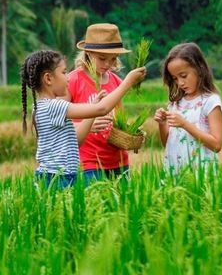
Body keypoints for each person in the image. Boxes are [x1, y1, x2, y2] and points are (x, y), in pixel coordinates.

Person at [20, 49, 146, 189]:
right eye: (64, 72)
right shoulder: (54, 106)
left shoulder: (43, 107)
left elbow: (76, 141)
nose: (68, 77)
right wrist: (128, 82)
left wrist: (92, 110)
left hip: (64, 175)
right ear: (48, 78)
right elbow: (102, 109)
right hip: (57, 178)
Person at [67, 23, 133, 186]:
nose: (107, 64)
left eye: (113, 59)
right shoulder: (73, 80)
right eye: (102, 59)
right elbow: (59, 121)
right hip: (88, 161)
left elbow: (120, 119)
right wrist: (87, 124)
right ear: (88, 53)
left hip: (118, 160)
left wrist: (129, 135)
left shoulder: (117, 82)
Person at [154, 42, 222, 173]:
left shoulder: (210, 101)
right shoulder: (176, 103)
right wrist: (162, 124)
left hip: (201, 173)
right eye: (175, 78)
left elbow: (216, 144)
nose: (180, 83)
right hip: (176, 172)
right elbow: (168, 144)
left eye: (184, 76)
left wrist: (185, 124)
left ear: (199, 69)